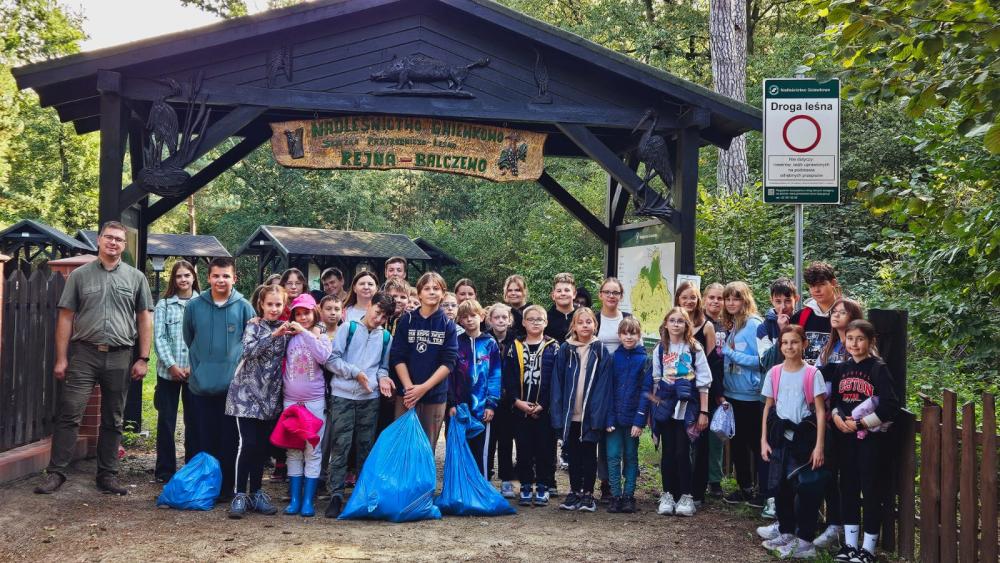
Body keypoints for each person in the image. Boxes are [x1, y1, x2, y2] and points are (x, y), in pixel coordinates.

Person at [34, 221, 153, 496]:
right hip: (84, 354)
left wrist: (143, 357)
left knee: (114, 418)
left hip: (121, 355)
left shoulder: (136, 278)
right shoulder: (79, 276)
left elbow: (144, 318)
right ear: (98, 240)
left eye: (119, 240)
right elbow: (65, 317)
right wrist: (61, 358)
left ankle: (107, 474)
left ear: (124, 245)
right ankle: (57, 473)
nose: (113, 243)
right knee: (69, 413)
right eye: (109, 238)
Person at [182, 256, 255, 500]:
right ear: (208, 278)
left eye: (226, 276)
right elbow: (189, 337)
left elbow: (251, 343)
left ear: (234, 278)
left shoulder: (244, 307)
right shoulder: (194, 306)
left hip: (233, 388)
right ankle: (203, 487)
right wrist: (202, 366)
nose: (221, 280)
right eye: (216, 275)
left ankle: (227, 490)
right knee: (202, 438)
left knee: (230, 440)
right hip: (201, 386)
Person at [756, 324, 827, 559]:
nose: (789, 346)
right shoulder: (774, 373)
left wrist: (819, 446)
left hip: (803, 441)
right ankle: (786, 531)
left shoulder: (812, 374)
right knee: (781, 488)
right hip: (780, 439)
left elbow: (819, 411)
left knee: (806, 488)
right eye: (785, 342)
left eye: (794, 342)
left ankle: (805, 539)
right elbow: (768, 407)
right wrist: (764, 440)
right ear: (780, 345)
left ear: (804, 344)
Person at [322, 292, 396, 518]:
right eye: (377, 312)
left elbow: (383, 367)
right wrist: (356, 373)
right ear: (370, 306)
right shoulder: (348, 328)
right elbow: (332, 360)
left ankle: (362, 495)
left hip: (369, 399)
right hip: (343, 396)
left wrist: (382, 378)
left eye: (384, 316)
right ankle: (336, 494)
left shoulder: (385, 338)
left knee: (365, 447)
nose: (379, 318)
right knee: (341, 445)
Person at [831, 320, 899, 563]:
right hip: (845, 439)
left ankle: (868, 548)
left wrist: (861, 424)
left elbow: (891, 406)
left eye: (860, 339)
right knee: (847, 488)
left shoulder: (878, 368)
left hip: (870, 440)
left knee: (870, 491)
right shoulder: (842, 369)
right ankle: (850, 545)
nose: (855, 344)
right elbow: (836, 400)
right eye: (850, 339)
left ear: (870, 342)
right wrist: (837, 417)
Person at [224, 284, 292, 518]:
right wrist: (273, 335)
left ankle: (257, 493)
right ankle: (239, 494)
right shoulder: (253, 326)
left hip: (270, 398)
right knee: (248, 444)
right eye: (269, 304)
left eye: (278, 304)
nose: (274, 309)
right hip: (245, 396)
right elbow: (249, 351)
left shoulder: (287, 330)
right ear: (261, 305)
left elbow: (313, 329)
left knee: (262, 448)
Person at [641, 307, 711, 517]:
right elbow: (655, 379)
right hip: (665, 408)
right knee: (668, 453)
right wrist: (654, 408)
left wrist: (704, 412)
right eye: (672, 320)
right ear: (665, 324)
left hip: (686, 408)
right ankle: (668, 494)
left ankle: (686, 495)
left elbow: (703, 382)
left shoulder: (694, 347)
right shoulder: (660, 349)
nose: (676, 324)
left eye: (680, 321)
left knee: (683, 452)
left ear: (687, 324)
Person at [813, 297, 865, 551]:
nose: (835, 315)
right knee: (830, 473)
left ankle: (851, 531)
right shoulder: (828, 345)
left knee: (850, 477)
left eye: (842, 312)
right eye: (834, 311)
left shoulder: (858, 347)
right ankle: (833, 524)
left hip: (852, 419)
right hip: (827, 416)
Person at [388, 272, 459, 452]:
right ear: (419, 293)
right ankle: (403, 481)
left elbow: (449, 362)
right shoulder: (407, 320)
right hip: (406, 394)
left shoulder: (447, 324)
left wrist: (424, 388)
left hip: (434, 395)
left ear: (443, 293)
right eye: (427, 288)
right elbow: (397, 356)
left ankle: (424, 481)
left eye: (436, 288)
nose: (432, 292)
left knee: (426, 446)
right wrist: (410, 388)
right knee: (402, 444)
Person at [550, 307, 612, 513]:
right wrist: (558, 413)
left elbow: (605, 385)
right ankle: (574, 491)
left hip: (591, 415)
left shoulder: (600, 349)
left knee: (588, 454)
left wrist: (598, 415)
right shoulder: (566, 349)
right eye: (581, 322)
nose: (585, 326)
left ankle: (588, 493)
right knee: (572, 454)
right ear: (574, 326)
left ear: (595, 325)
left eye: (589, 322)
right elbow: (557, 382)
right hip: (571, 413)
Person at [280, 294, 331, 517]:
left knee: (313, 449)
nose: (302, 317)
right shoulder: (288, 337)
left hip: (315, 402)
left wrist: (306, 333)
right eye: (298, 314)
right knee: (293, 449)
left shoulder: (321, 336)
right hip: (291, 401)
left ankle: (308, 501)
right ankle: (295, 499)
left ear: (314, 313)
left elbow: (322, 356)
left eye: (306, 313)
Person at [503, 305, 558, 507]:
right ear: (524, 322)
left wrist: (543, 405)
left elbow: (556, 380)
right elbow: (507, 378)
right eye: (531, 319)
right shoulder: (513, 346)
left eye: (540, 319)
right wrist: (517, 401)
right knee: (524, 448)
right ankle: (526, 485)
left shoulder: (554, 347)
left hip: (545, 410)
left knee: (545, 449)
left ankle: (543, 485)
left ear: (546, 322)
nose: (535, 322)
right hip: (519, 409)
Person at [755, 277, 800, 519]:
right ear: (771, 301)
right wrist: (782, 333)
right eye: (778, 301)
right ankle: (771, 498)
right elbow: (766, 361)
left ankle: (792, 499)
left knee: (794, 446)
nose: (783, 306)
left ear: (796, 300)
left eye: (787, 301)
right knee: (770, 446)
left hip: (797, 395)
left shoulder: (802, 323)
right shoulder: (764, 328)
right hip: (772, 394)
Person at [674, 281, 721, 506]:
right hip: (676, 392)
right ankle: (678, 487)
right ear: (678, 300)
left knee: (700, 442)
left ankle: (698, 491)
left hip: (701, 391)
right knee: (678, 442)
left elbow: (712, 362)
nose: (689, 301)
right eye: (684, 298)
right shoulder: (673, 322)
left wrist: (713, 394)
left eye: (693, 297)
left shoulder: (707, 326)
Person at [152, 260, 200, 484]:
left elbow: (204, 337)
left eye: (187, 276)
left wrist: (193, 365)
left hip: (194, 373)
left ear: (193, 278)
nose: (183, 280)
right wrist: (171, 365)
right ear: (174, 279)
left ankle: (192, 466)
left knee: (195, 421)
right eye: (179, 276)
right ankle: (164, 470)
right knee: (166, 421)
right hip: (168, 372)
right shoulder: (164, 305)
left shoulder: (202, 303)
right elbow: (159, 337)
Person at [720, 281, 765, 507]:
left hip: (751, 395)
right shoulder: (735, 325)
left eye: (735, 299)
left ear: (745, 300)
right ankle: (745, 487)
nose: (730, 303)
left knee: (757, 444)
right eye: (727, 299)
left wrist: (730, 353)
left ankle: (763, 491)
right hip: (733, 394)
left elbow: (762, 361)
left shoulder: (755, 325)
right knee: (737, 443)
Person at [449, 299, 502, 478]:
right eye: (464, 317)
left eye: (473, 315)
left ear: (481, 317)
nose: (469, 320)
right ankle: (462, 490)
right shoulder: (455, 342)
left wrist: (491, 404)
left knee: (481, 451)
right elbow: (450, 376)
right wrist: (452, 403)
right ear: (460, 320)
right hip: (461, 407)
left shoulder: (490, 343)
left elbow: (495, 375)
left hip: (482, 408)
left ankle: (482, 487)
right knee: (461, 449)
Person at [604, 317, 648, 514]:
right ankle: (615, 495)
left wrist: (639, 421)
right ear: (619, 335)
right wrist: (609, 418)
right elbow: (608, 390)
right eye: (625, 333)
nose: (629, 337)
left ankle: (629, 495)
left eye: (633, 333)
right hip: (614, 419)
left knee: (630, 457)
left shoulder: (644, 359)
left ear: (639, 335)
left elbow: (645, 392)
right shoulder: (613, 358)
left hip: (633, 420)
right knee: (613, 456)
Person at [593, 277, 630, 502]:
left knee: (617, 431)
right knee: (601, 431)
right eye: (607, 292)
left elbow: (636, 344)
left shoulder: (627, 320)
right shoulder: (594, 319)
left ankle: (620, 481)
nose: (611, 296)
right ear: (600, 295)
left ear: (621, 296)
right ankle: (604, 481)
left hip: (621, 381)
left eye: (615, 292)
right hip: (597, 380)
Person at [487, 303, 517, 497]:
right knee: (488, 442)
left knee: (506, 441)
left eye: (504, 318)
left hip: (508, 400)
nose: (500, 321)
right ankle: (486, 478)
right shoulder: (484, 339)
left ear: (509, 320)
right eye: (496, 318)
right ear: (490, 320)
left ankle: (506, 480)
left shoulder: (516, 341)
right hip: (488, 399)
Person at [701, 281, 727, 498]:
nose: (716, 302)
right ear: (704, 299)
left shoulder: (729, 324)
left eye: (720, 298)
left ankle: (715, 479)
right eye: (712, 297)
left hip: (724, 383)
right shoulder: (700, 323)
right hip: (703, 385)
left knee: (717, 432)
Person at [790, 262, 842, 365]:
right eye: (812, 286)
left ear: (833, 283)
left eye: (821, 285)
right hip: (806, 378)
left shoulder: (847, 315)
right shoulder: (800, 317)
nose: (817, 290)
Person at [545, 272, 577, 344]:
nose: (563, 293)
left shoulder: (581, 317)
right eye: (559, 291)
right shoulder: (545, 319)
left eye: (567, 290)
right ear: (553, 295)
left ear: (574, 294)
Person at [502, 274, 531, 340]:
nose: (513, 293)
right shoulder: (504, 312)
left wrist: (512, 310)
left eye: (517, 290)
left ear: (524, 292)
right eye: (510, 290)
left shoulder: (533, 311)